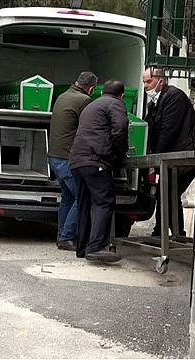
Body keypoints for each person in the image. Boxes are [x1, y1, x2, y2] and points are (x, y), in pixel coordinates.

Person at [69, 80, 128, 263]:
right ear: (122, 95)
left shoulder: (91, 104)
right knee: (104, 202)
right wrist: (118, 155)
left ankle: (82, 247)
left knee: (85, 203)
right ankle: (96, 247)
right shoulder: (116, 104)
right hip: (96, 160)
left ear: (102, 91)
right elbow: (120, 129)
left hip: (77, 160)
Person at [142, 67, 195, 237]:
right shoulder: (158, 101)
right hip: (174, 157)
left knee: (170, 193)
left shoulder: (174, 97)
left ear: (160, 81)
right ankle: (165, 232)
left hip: (182, 157)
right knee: (166, 193)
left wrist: (155, 158)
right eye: (144, 81)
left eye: (149, 81)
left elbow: (168, 129)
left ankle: (174, 233)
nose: (145, 86)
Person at [48, 71, 98, 251]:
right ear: (91, 88)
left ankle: (62, 235)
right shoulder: (84, 101)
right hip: (67, 158)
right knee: (82, 197)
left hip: (55, 157)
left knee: (68, 197)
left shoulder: (62, 96)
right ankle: (67, 237)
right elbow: (90, 128)